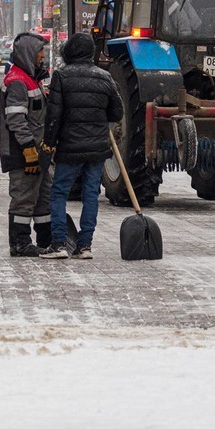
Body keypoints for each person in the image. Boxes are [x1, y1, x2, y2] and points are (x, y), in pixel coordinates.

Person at [39, 33, 123, 260]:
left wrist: (48, 145)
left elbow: (53, 116)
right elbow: (117, 112)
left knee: (58, 193)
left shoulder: (62, 76)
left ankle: (58, 244)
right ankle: (85, 246)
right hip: (97, 148)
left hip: (70, 147)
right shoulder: (105, 77)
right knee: (90, 195)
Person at [0, 32, 53, 257]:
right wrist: (29, 151)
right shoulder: (18, 82)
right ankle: (20, 242)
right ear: (30, 53)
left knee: (42, 197)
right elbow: (16, 120)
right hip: (22, 152)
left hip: (36, 151)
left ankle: (46, 240)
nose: (43, 56)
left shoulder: (33, 79)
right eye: (40, 51)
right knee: (23, 197)